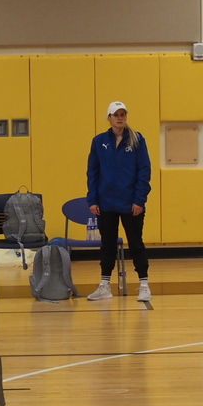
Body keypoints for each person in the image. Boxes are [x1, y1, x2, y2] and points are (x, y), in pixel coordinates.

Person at [86, 101, 153, 302]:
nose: (120, 118)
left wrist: (139, 199)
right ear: (109, 117)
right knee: (107, 244)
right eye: (116, 114)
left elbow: (144, 171)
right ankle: (105, 285)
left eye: (123, 114)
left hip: (131, 203)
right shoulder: (99, 142)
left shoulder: (137, 140)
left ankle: (144, 284)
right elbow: (93, 172)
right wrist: (93, 199)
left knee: (136, 243)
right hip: (106, 203)